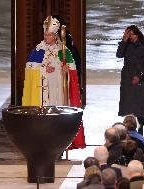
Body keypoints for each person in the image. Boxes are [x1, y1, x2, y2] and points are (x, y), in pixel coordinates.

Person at [22, 15, 85, 150]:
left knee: (57, 114)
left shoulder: (63, 51)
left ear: (55, 36)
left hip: (58, 90)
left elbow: (72, 71)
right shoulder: (38, 50)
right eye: (45, 34)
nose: (46, 37)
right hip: (42, 90)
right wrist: (43, 68)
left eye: (49, 35)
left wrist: (65, 70)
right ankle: (42, 143)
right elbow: (29, 68)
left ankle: (59, 145)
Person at [116, 25, 144, 135]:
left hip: (141, 79)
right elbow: (119, 55)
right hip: (127, 79)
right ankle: (128, 131)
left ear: (137, 34)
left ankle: (140, 132)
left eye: (131, 34)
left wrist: (139, 76)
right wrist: (124, 40)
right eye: (128, 34)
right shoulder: (125, 44)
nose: (130, 37)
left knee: (140, 108)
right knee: (128, 106)